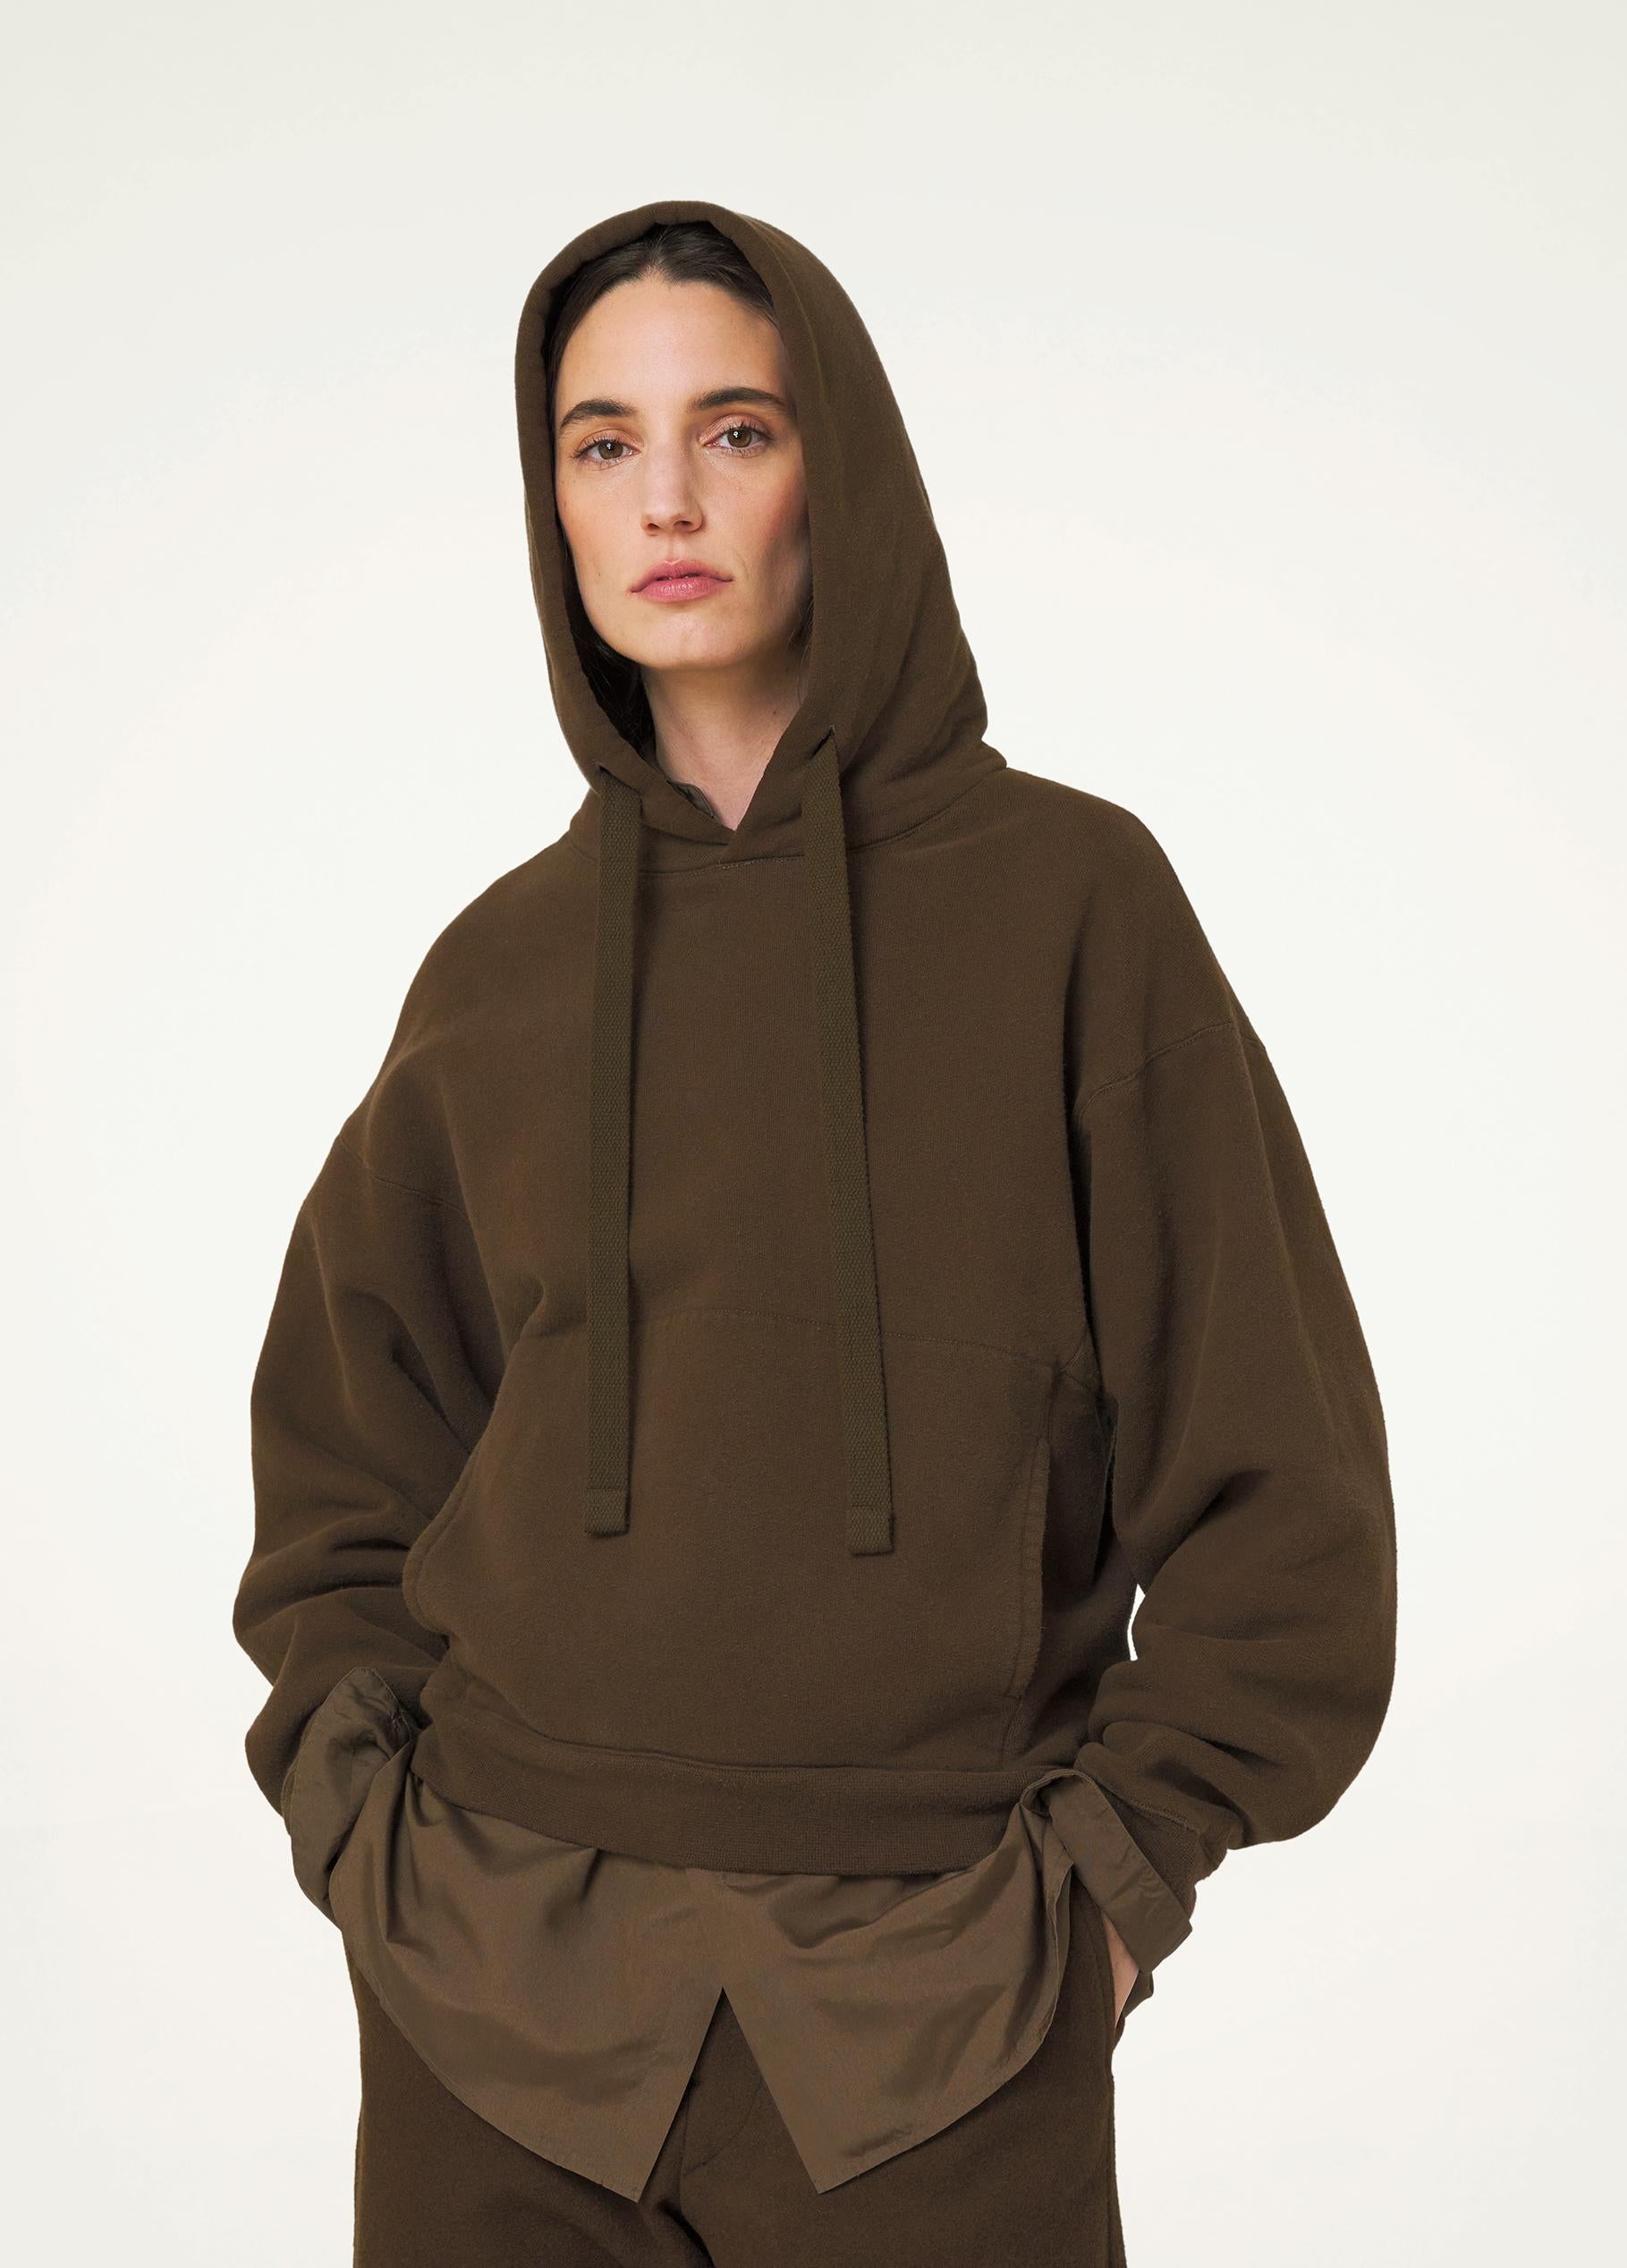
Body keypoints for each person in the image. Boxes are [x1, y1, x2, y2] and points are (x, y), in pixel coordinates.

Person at [233, 198, 1396, 2268]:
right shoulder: (503, 968)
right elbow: (345, 1460)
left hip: (934, 2023)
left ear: (836, 463)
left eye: (737, 430)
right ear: (553, 500)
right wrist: (372, 1837)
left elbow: (1284, 1505)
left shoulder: (1075, 910)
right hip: (490, 2004)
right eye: (603, 441)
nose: (665, 498)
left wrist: (1107, 1903)